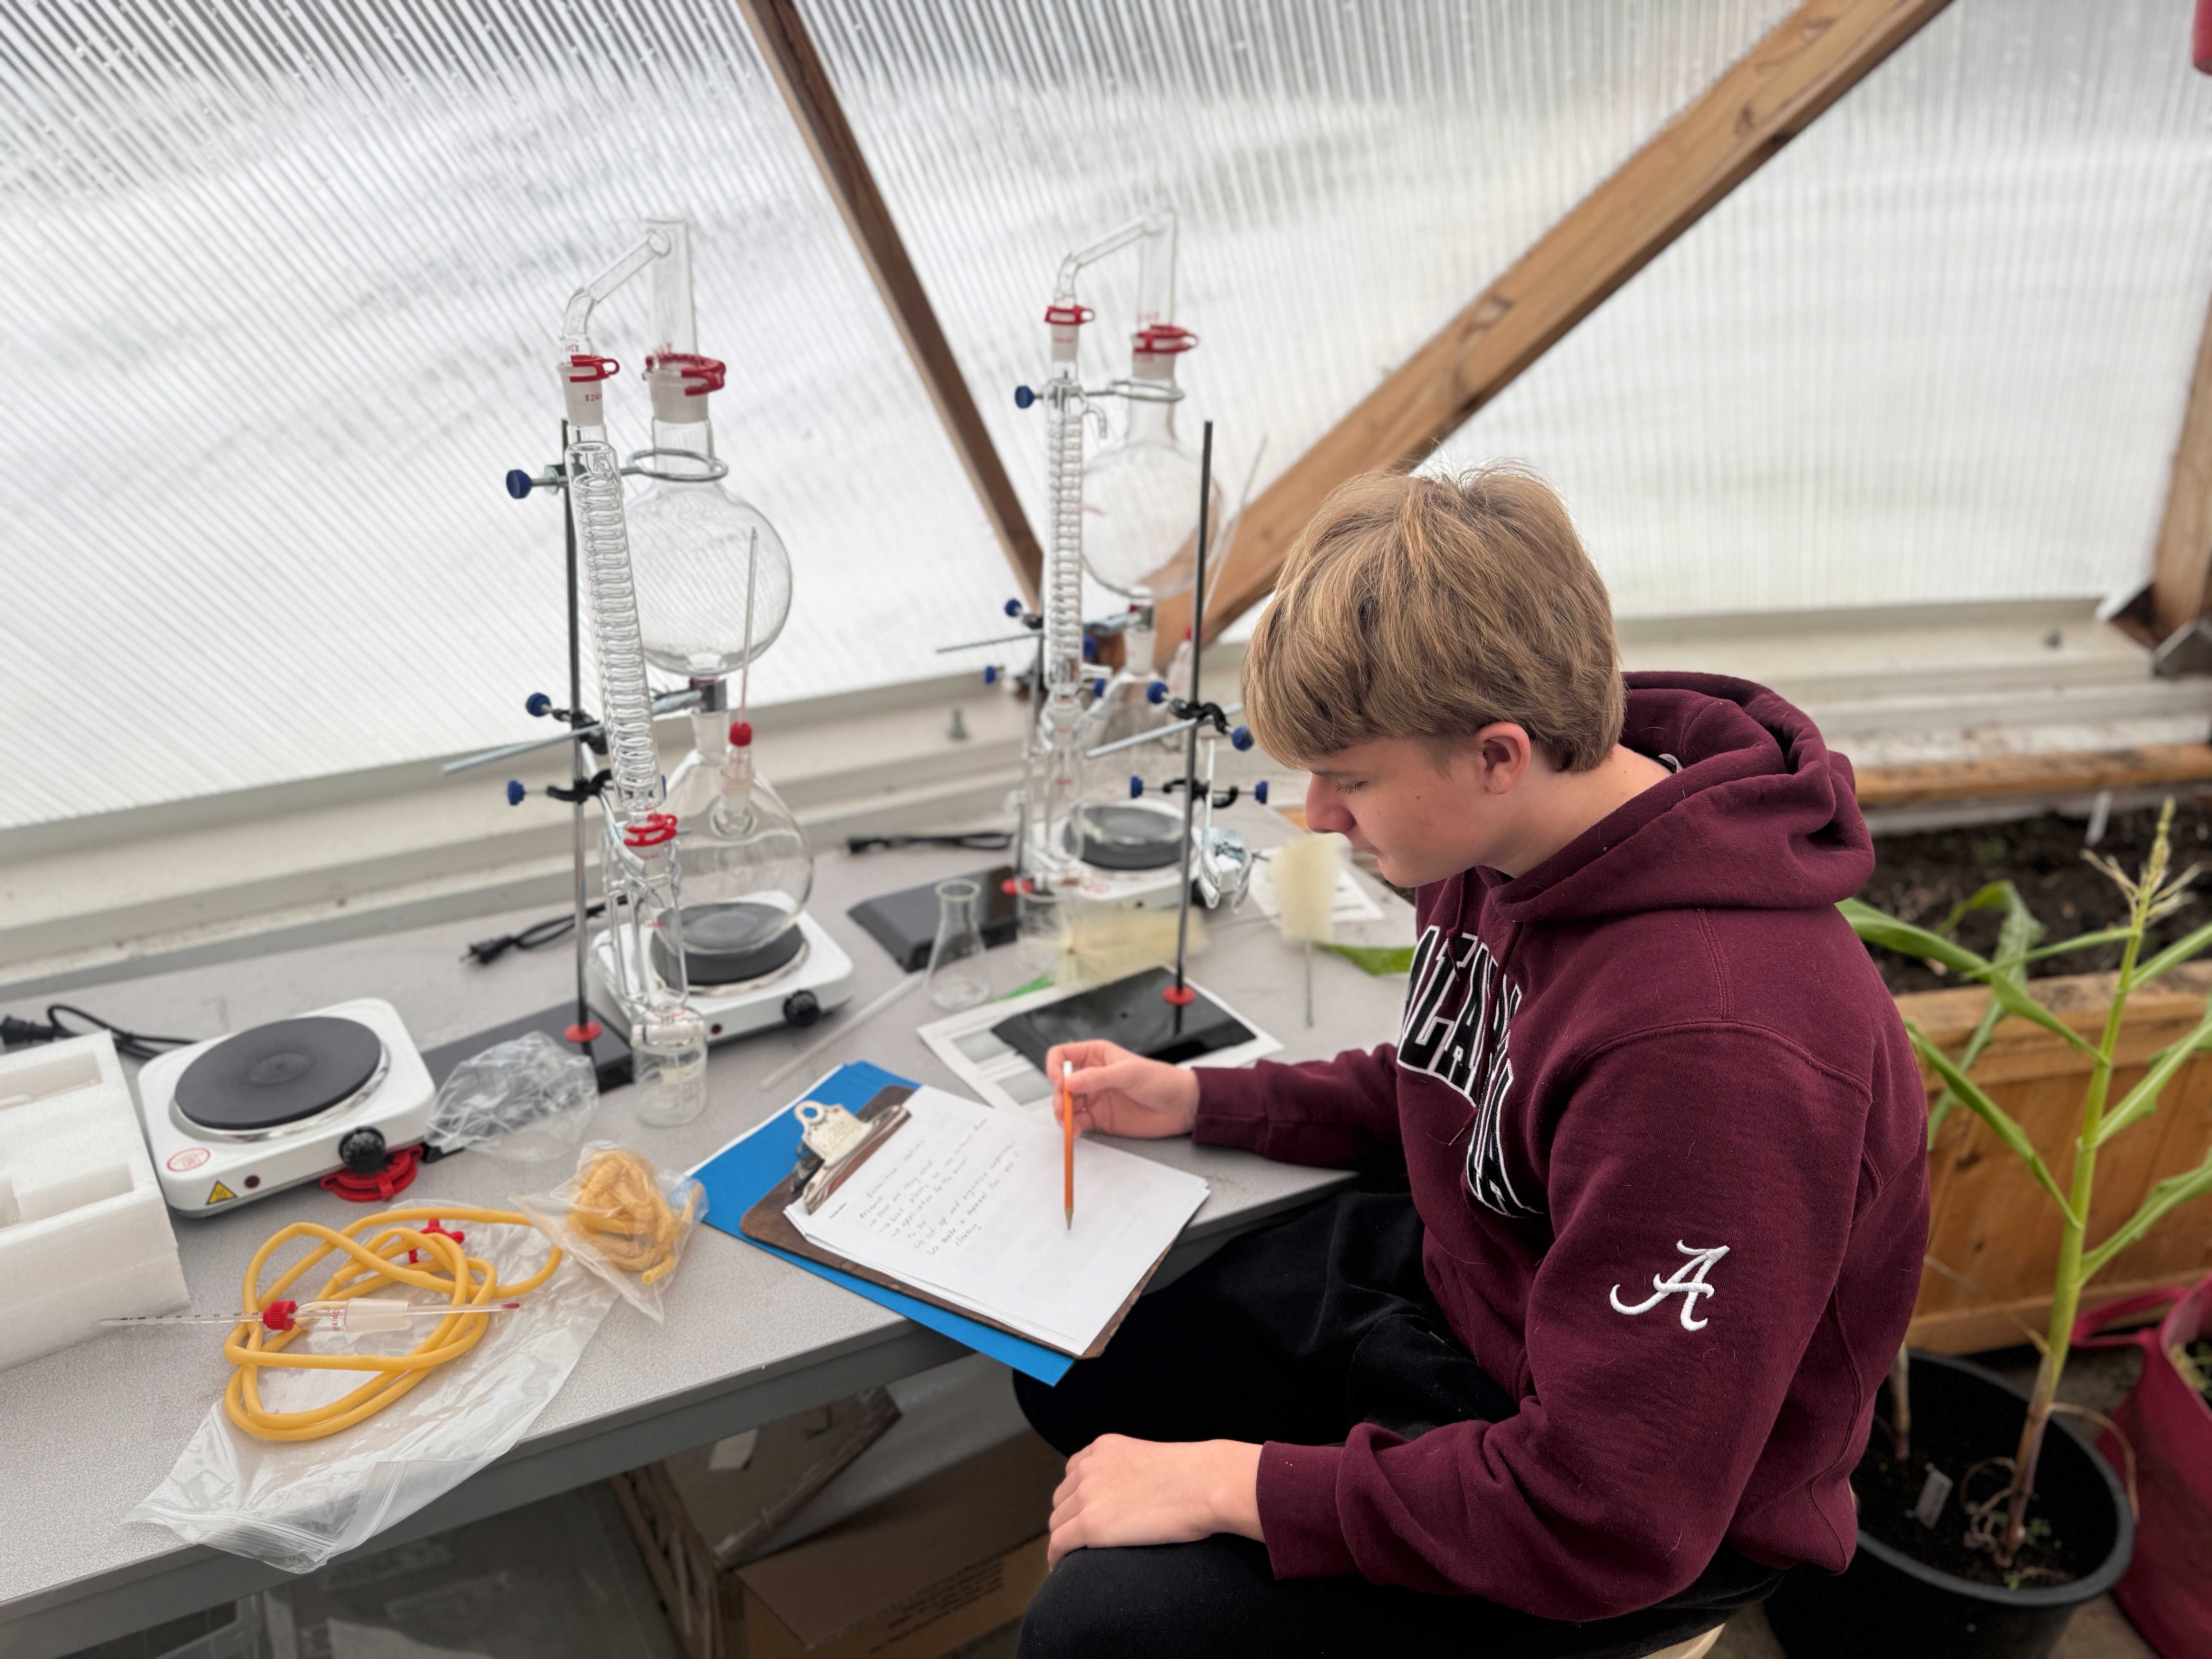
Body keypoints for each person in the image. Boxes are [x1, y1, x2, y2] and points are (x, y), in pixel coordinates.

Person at [1014, 467, 1928, 1659]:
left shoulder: (1715, 1054)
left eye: (1347, 776)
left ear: (1499, 751)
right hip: (1476, 1304)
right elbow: (1458, 1081)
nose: (1318, 816)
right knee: (1063, 1363)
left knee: (1096, 1634)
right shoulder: (1505, 827)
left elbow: (1607, 1517)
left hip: (1633, 1505)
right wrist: (1201, 1096)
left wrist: (1240, 1485)